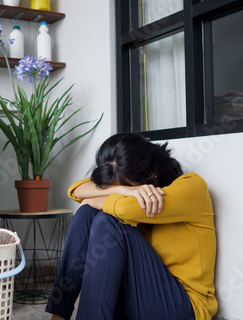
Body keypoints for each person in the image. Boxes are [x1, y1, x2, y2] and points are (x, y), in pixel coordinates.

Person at [45, 133, 217, 320]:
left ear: (150, 174)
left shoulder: (192, 187)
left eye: (128, 186)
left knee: (107, 222)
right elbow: (77, 189)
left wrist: (93, 199)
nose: (123, 193)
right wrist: (122, 190)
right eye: (110, 186)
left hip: (183, 309)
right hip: (138, 299)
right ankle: (58, 316)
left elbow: (123, 207)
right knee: (87, 214)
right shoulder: (127, 190)